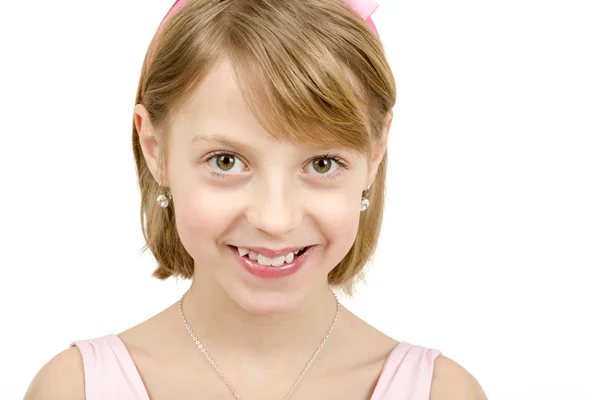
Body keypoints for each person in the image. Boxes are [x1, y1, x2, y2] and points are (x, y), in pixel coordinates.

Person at [25, 0, 488, 399]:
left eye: (322, 163)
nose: (275, 218)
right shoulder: (77, 389)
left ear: (374, 155)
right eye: (226, 161)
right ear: (156, 150)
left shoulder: (440, 392)